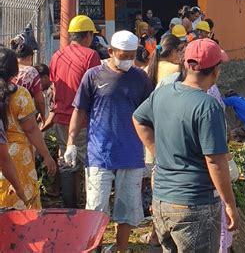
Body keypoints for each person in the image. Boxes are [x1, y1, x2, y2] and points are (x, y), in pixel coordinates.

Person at [133, 38, 239, 252]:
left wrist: (157, 152)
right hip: (194, 205)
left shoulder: (163, 93)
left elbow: (138, 119)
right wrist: (229, 204)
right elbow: (215, 161)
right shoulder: (208, 106)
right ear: (216, 70)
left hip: (162, 202)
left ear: (186, 65)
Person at [65, 30, 153, 252]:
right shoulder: (93, 76)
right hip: (99, 153)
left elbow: (150, 114)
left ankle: (120, 248)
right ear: (111, 51)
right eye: (123, 55)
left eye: (131, 56)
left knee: (127, 209)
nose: (127, 61)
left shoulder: (140, 78)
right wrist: (71, 141)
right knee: (96, 208)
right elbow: (79, 110)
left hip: (131, 154)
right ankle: (94, 247)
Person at [47, 15, 101, 208]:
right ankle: (90, 208)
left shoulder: (57, 56)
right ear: (87, 36)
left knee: (66, 163)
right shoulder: (90, 56)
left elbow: (54, 86)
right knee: (90, 164)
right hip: (83, 119)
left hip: (61, 118)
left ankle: (70, 207)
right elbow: (97, 87)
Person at [0, 47, 56, 209]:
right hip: (18, 157)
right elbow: (31, 130)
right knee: (23, 207)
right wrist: (47, 156)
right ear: (14, 70)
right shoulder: (21, 95)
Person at [9, 38, 46, 122]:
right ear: (30, 57)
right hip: (21, 111)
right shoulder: (30, 71)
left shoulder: (8, 67)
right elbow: (39, 99)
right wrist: (43, 115)